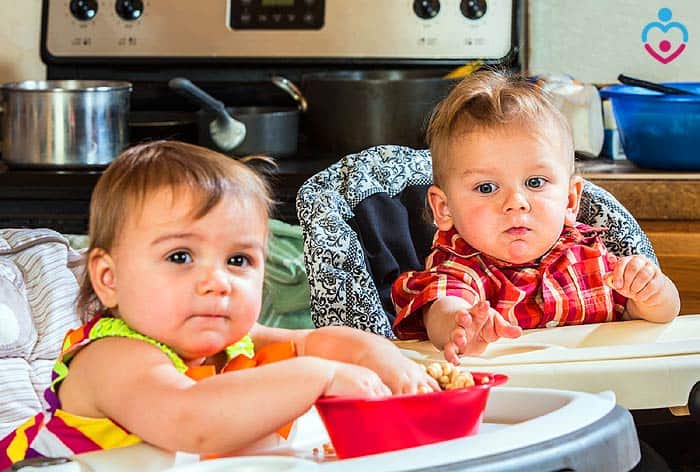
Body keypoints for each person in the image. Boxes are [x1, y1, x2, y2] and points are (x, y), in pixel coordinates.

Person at [0, 141, 438, 466]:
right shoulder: (112, 358)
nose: (216, 281)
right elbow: (192, 420)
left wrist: (381, 357)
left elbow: (313, 342)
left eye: (238, 260)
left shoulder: (231, 344)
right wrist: (320, 377)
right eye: (180, 257)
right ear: (109, 280)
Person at [391, 70, 680, 364]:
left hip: (602, 401)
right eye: (486, 187)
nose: (516, 203)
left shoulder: (593, 260)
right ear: (445, 208)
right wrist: (463, 324)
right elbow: (443, 308)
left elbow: (658, 316)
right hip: (509, 405)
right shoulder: (459, 269)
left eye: (535, 182)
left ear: (569, 199)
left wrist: (651, 292)